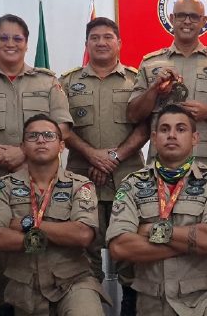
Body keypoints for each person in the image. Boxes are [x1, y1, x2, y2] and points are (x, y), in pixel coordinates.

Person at [0, 14, 73, 315]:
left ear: (26, 43)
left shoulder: (47, 82)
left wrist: (23, 152)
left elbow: (63, 127)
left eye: (17, 38)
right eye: (3, 38)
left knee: (46, 258)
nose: (10, 44)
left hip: (42, 187)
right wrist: (0, 155)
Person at [107, 104, 207, 316]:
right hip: (151, 299)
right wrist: (193, 244)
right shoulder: (132, 184)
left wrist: (150, 230)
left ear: (195, 138)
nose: (171, 135)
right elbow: (121, 248)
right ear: (154, 137)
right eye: (164, 129)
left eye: (180, 129)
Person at [58, 17, 149, 313]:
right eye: (94, 37)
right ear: (86, 44)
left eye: (108, 37)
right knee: (85, 248)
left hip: (127, 179)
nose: (101, 42)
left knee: (130, 245)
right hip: (83, 180)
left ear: (119, 43)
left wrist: (113, 157)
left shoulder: (137, 80)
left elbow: (147, 126)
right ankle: (90, 303)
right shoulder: (68, 83)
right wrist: (93, 156)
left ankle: (131, 303)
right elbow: (62, 128)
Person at [0, 114, 107, 315]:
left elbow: (83, 235)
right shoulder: (3, 187)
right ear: (22, 146)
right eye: (33, 136)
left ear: (61, 146)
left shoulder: (80, 185)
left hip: (73, 281)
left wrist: (28, 224)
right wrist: (60, 235)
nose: (41, 140)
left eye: (49, 135)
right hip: (25, 285)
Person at [126, 0, 207, 174]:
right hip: (162, 161)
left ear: (203, 21)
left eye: (193, 16)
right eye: (181, 15)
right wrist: (154, 89)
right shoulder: (150, 63)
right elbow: (133, 115)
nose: (187, 21)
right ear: (171, 19)